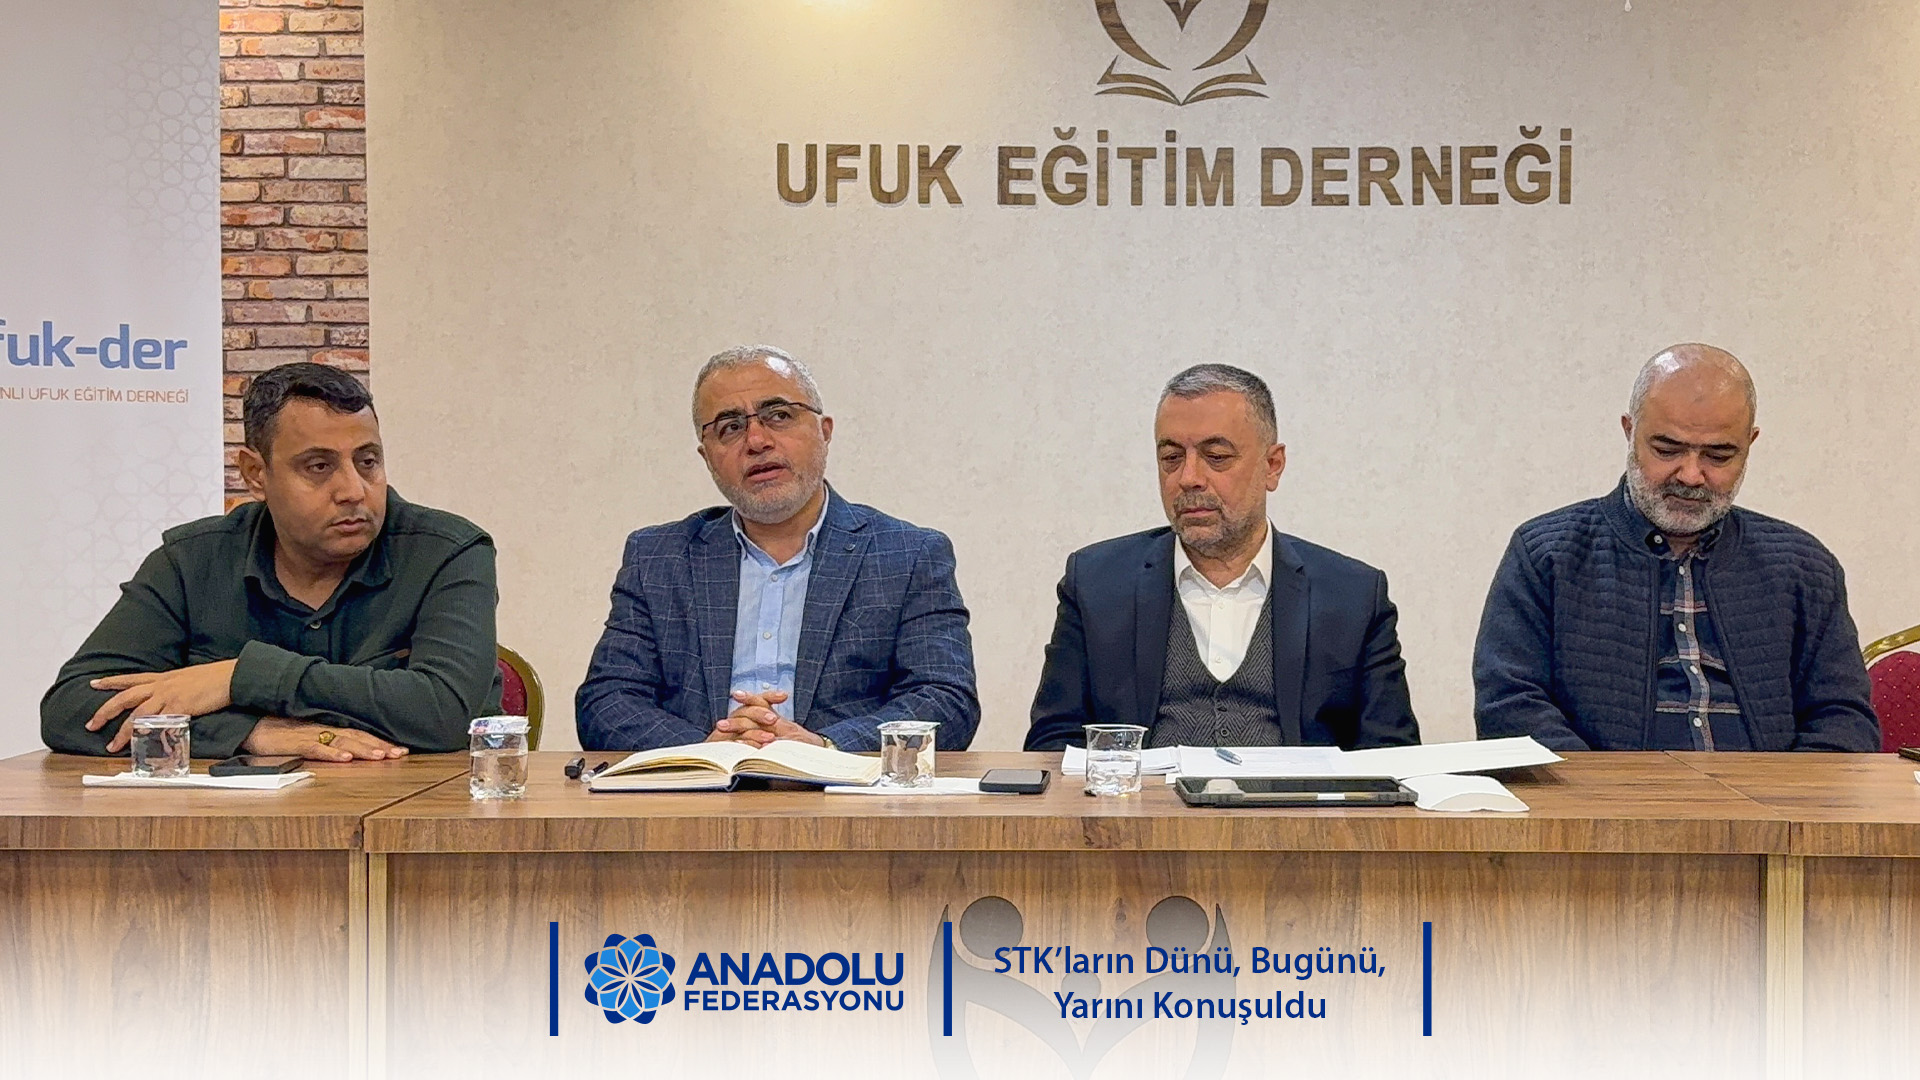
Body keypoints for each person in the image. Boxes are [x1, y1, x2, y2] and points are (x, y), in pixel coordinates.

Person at [41, 362, 502, 760]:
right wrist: (251, 733)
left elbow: (446, 713)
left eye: (367, 462)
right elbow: (72, 708)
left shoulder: (448, 552)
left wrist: (238, 678)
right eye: (318, 466)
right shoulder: (191, 561)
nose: (353, 490)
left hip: (412, 817)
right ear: (256, 474)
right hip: (234, 826)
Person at [1474, 344, 1878, 751]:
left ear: (1750, 444)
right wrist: (1604, 787)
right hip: (1600, 790)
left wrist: (1785, 791)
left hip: (1772, 791)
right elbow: (1510, 706)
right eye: (1667, 450)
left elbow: (1843, 719)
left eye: (1718, 455)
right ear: (1629, 431)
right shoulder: (1547, 554)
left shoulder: (1805, 567)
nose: (1691, 475)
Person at [576, 345, 979, 752]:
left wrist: (825, 748)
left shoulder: (908, 555)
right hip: (700, 784)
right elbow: (605, 702)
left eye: (779, 416)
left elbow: (946, 700)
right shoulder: (657, 558)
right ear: (707, 457)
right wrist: (706, 749)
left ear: (824, 432)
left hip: (843, 787)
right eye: (730, 427)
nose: (756, 441)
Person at [1025, 364, 1420, 751]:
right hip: (1143, 797)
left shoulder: (1353, 596)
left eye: (1216, 456)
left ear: (1272, 466)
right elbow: (1052, 744)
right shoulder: (1096, 584)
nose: (1189, 478)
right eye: (1171, 458)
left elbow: (1393, 756)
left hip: (1293, 799)